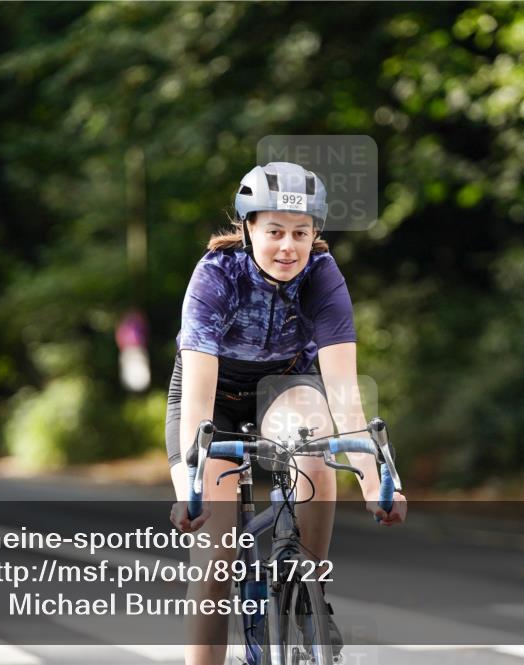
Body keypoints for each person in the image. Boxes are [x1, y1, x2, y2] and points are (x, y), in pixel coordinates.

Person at [166, 162, 408, 665]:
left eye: (301, 233)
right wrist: (190, 484)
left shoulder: (322, 275)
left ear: (315, 234)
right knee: (216, 560)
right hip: (213, 399)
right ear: (248, 227)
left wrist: (374, 480)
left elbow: (343, 390)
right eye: (274, 231)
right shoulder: (216, 276)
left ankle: (309, 596)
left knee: (316, 451)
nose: (287, 246)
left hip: (285, 386)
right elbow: (198, 398)